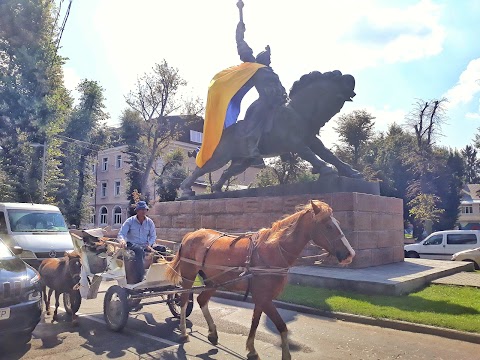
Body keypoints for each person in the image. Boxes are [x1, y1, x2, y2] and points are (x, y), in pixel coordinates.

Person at [235, 21, 288, 159]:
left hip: (278, 102)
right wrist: (240, 34)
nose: (270, 60)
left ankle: (287, 146)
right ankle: (251, 145)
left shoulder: (271, 72)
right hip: (264, 102)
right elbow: (243, 50)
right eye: (268, 57)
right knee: (259, 114)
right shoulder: (255, 68)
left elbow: (280, 86)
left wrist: (284, 94)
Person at [117, 201, 157, 283]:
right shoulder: (130, 221)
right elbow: (121, 233)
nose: (143, 211)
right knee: (139, 251)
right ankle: (142, 276)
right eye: (141, 209)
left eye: (145, 209)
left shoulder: (150, 222)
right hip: (132, 245)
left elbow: (153, 236)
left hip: (146, 245)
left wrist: (149, 244)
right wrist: (122, 240)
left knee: (163, 249)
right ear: (137, 211)